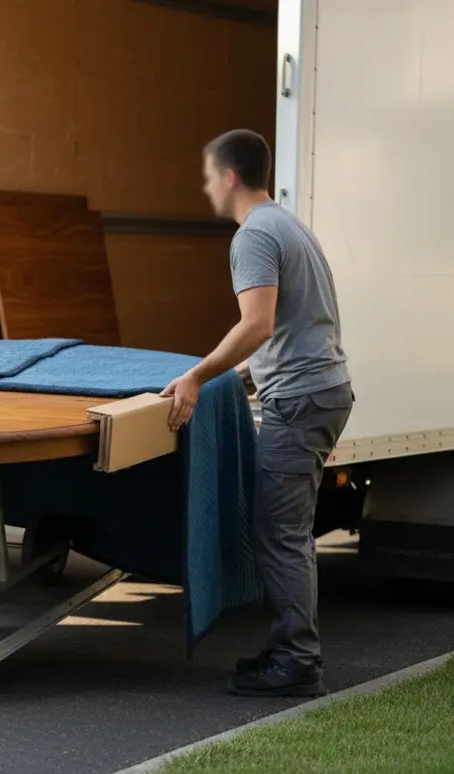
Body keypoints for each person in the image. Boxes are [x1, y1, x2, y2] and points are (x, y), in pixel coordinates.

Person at [160, 129, 353, 698]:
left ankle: (298, 662)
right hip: (319, 391)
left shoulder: (253, 236)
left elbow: (258, 324)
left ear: (228, 177)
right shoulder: (288, 225)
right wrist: (239, 375)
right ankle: (288, 646)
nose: (204, 187)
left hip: (301, 401)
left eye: (206, 176)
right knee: (283, 530)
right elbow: (291, 328)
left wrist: (196, 376)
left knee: (281, 532)